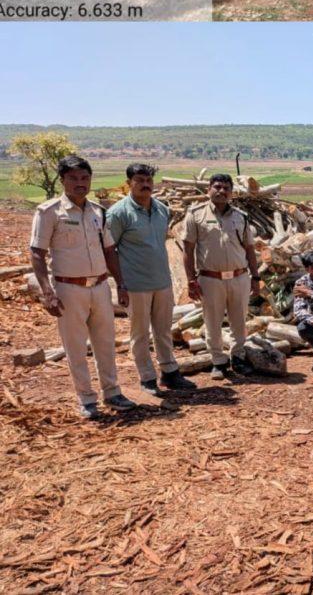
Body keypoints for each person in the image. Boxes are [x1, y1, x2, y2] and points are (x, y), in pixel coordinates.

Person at [29, 155, 136, 420]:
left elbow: (110, 250)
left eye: (85, 178)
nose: (80, 183)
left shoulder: (98, 211)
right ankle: (86, 399)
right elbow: (37, 253)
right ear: (63, 180)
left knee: (105, 344)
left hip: (100, 287)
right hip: (68, 290)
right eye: (73, 178)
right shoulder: (50, 212)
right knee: (75, 346)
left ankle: (112, 392)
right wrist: (47, 293)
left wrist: (120, 283)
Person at [106, 164, 195, 396]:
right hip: (135, 284)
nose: (145, 184)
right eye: (139, 180)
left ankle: (170, 372)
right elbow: (108, 250)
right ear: (129, 183)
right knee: (140, 334)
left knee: (163, 330)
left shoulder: (162, 210)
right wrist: (120, 283)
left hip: (162, 282)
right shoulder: (118, 213)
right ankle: (147, 377)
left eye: (148, 180)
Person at [181, 174, 261, 380]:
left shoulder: (240, 216)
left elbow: (250, 249)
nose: (221, 191)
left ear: (232, 192)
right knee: (212, 322)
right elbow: (188, 251)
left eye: (226, 188)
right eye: (217, 187)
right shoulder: (196, 214)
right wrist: (191, 280)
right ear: (209, 189)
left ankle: (238, 357)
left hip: (239, 277)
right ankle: (218, 361)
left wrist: (255, 277)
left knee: (238, 320)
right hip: (210, 279)